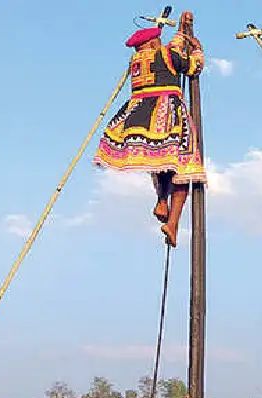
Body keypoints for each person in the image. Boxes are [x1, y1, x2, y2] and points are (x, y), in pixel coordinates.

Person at [94, 11, 206, 248]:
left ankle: (160, 200)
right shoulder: (167, 54)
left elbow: (170, 48)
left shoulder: (136, 62)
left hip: (137, 121)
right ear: (154, 42)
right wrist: (196, 49)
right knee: (185, 169)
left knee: (160, 163)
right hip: (166, 117)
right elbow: (194, 67)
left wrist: (182, 29)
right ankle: (173, 222)